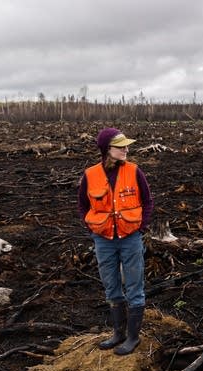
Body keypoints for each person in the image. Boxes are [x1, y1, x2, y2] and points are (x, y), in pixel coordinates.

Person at [77, 127, 153, 355]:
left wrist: (141, 228)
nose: (126, 149)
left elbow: (148, 201)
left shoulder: (134, 171)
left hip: (130, 238)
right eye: (120, 146)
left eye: (126, 145)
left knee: (134, 288)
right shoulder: (90, 175)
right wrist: (92, 227)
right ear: (107, 150)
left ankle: (132, 338)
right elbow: (83, 205)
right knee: (111, 288)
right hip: (103, 240)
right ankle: (118, 334)